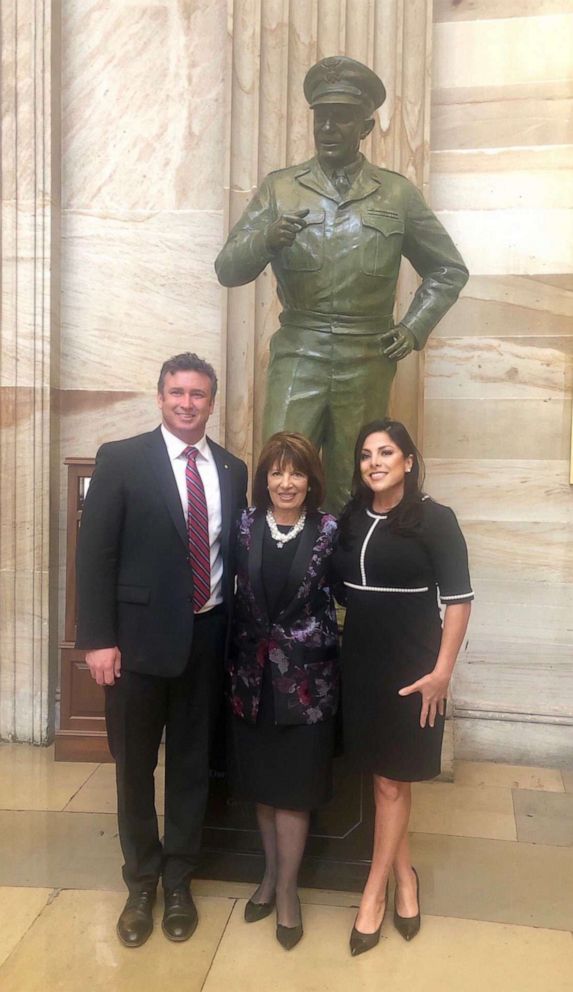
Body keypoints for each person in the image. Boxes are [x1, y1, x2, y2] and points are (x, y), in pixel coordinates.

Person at [215, 55, 469, 513]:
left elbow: (448, 268)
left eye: (342, 117)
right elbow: (228, 269)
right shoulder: (281, 188)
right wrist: (266, 240)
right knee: (283, 466)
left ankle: (350, 578)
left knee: (359, 479)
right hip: (299, 348)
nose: (329, 127)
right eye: (322, 117)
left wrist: (413, 328)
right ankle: (278, 574)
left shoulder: (397, 193)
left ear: (366, 127)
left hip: (367, 355)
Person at [75, 352, 248, 948]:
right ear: (159, 397)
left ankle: (179, 879)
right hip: (134, 649)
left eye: (198, 394)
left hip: (207, 641)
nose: (186, 402)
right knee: (134, 769)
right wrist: (96, 639)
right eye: (176, 391)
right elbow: (94, 555)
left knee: (192, 767)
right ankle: (141, 881)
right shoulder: (121, 459)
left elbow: (231, 557)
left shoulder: (232, 468)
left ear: (211, 401)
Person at [332, 419, 473, 956]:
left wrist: (442, 672)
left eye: (386, 452)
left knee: (393, 782)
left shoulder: (435, 520)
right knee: (384, 779)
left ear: (409, 461)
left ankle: (375, 893)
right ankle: (406, 873)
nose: (375, 462)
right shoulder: (348, 519)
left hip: (413, 669)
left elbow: (459, 600)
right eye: (366, 454)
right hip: (360, 664)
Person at [227, 432, 339, 950]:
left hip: (305, 684)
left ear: (310, 480)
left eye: (296, 472)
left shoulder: (329, 530)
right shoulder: (245, 525)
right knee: (264, 790)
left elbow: (350, 593)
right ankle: (269, 877)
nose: (286, 482)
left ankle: (289, 892)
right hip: (251, 682)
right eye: (276, 472)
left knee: (293, 792)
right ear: (264, 479)